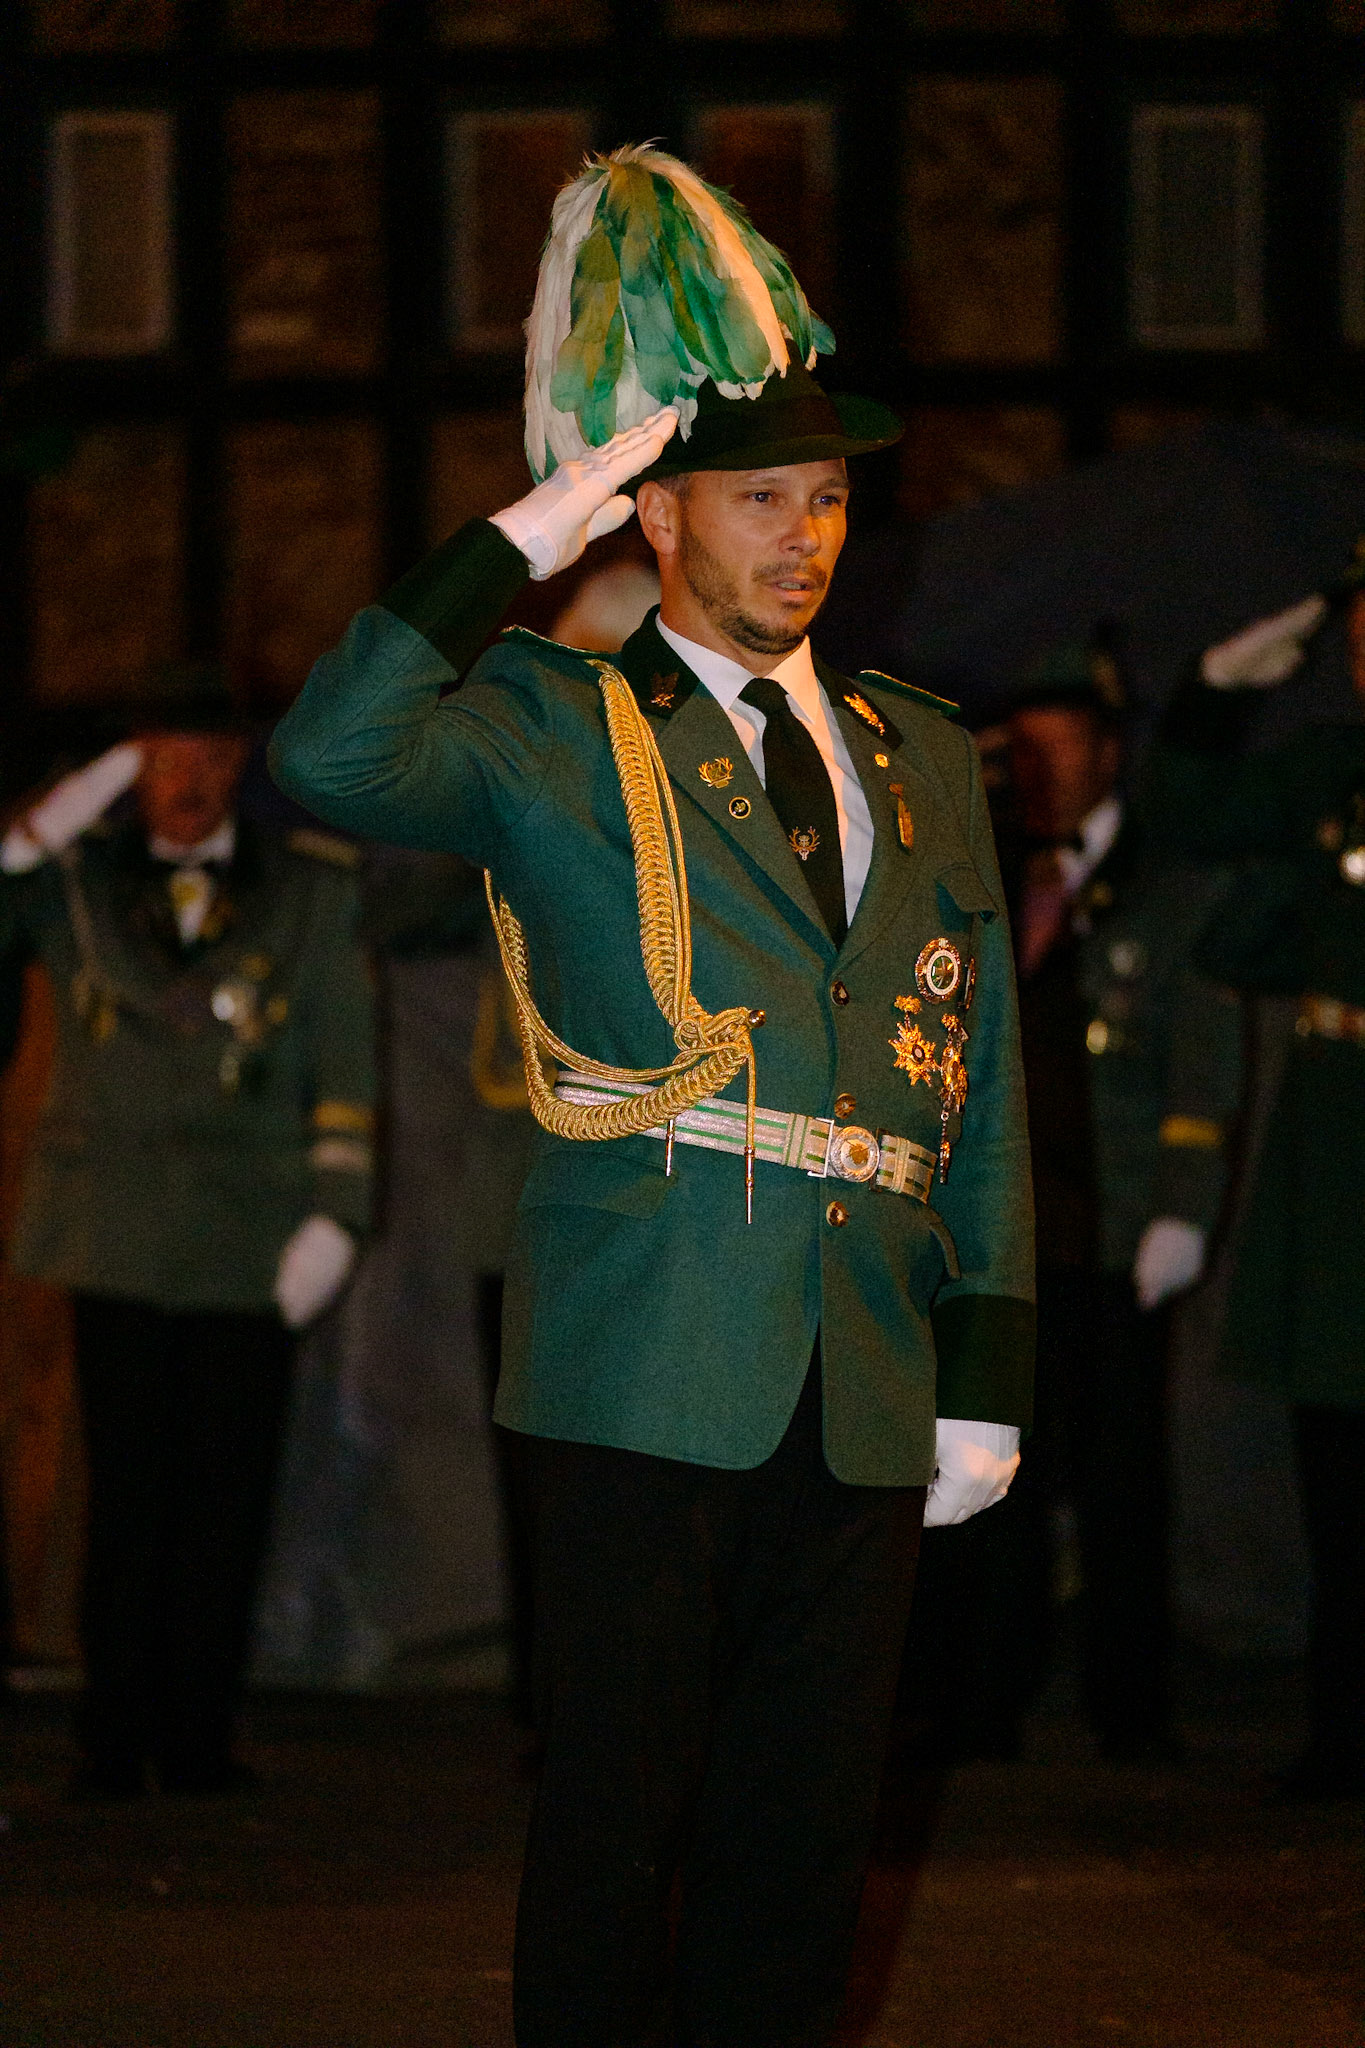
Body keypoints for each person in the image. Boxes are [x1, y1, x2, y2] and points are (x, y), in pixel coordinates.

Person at [272, 144, 1034, 2048]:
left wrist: (988, 1368)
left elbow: (983, 1073)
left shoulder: (918, 755)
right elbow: (331, 755)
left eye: (832, 498)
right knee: (618, 1829)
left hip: (861, 1365)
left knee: (804, 1845)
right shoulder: (555, 719)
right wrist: (515, 544)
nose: (805, 535)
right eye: (759, 497)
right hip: (649, 1353)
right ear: (661, 519)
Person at [0, 670, 375, 1796]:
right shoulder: (74, 883)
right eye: (166, 759)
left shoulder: (308, 890)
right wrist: (102, 779)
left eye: (211, 759)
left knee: (225, 1491)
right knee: (125, 1491)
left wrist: (337, 1213)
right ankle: (112, 1733)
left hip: (249, 1232)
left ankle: (196, 1733)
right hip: (112, 1228)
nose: (191, 784)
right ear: (131, 770)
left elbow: (342, 1050)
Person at [913, 644, 1241, 1763]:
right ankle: (979, 1697)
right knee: (986, 1463)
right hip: (1007, 1227)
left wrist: (1184, 1204)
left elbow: (1201, 1052)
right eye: (1028, 749)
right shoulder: (981, 877)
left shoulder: (1163, 882)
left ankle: (1129, 1704)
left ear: (1110, 751)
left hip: (1116, 1220)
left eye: (1067, 745)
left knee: (1120, 1476)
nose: (1046, 771)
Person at [1147, 564, 1365, 1799]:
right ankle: (1343, 1728)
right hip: (1341, 1140)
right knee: (1335, 1463)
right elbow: (1189, 814)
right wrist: (1214, 697)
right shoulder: (1328, 769)